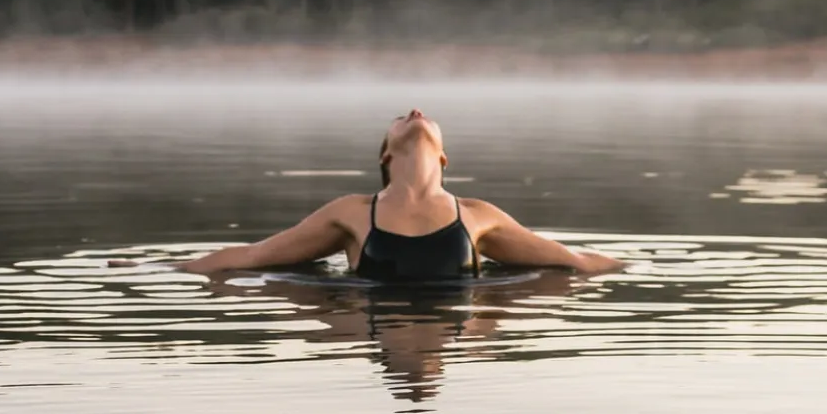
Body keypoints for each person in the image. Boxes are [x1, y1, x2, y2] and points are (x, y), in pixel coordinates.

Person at [175, 109, 625, 279]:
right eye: (399, 118)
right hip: (372, 326)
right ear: (387, 154)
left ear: (444, 158)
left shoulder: (476, 216)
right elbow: (255, 257)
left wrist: (639, 267)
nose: (414, 111)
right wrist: (160, 266)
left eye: (422, 115)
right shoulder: (352, 213)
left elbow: (572, 262)